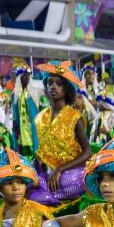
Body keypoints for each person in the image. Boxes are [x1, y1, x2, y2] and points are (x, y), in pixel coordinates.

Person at [29, 61, 91, 204]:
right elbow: (42, 149)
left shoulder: (74, 117)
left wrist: (60, 169)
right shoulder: (40, 117)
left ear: (66, 89)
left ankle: (49, 195)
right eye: (50, 83)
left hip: (72, 173)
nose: (53, 87)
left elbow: (87, 152)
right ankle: (48, 193)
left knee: (63, 183)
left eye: (59, 83)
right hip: (48, 173)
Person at [11, 64, 42, 158]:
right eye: (24, 75)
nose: (26, 78)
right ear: (19, 77)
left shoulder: (36, 93)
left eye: (28, 75)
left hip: (34, 130)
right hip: (21, 133)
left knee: (36, 157)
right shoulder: (15, 94)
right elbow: (14, 113)